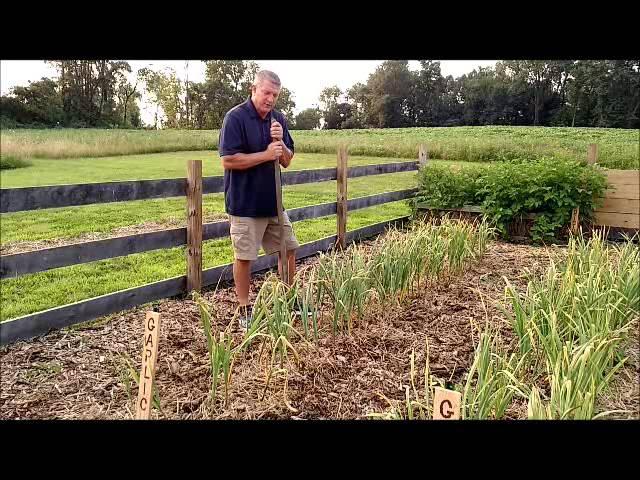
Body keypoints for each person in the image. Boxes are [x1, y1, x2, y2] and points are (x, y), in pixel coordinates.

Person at [218, 70, 299, 330]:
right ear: (253, 89)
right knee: (245, 257)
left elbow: (286, 159)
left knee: (288, 249)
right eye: (266, 93)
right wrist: (265, 155)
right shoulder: (236, 118)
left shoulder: (279, 119)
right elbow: (228, 160)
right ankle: (244, 308)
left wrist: (280, 144)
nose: (271, 99)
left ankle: (289, 299)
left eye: (275, 95)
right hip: (245, 204)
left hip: (273, 202)